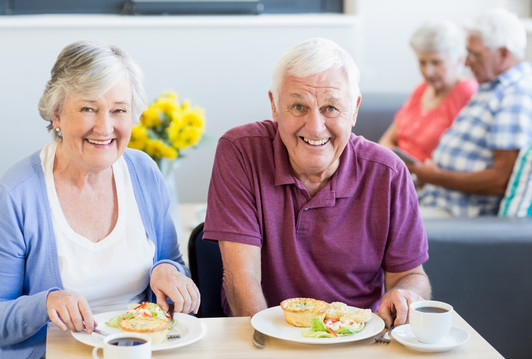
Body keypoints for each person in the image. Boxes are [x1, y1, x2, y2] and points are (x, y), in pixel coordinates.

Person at [0, 41, 200, 359]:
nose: (104, 128)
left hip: (143, 350)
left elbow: (172, 266)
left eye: (119, 110)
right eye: (88, 108)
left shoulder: (144, 172)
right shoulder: (17, 195)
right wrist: (45, 304)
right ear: (57, 113)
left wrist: (167, 271)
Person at [203, 38, 431, 328]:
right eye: (298, 106)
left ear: (354, 110)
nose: (314, 127)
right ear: (275, 106)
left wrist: (407, 295)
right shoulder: (240, 151)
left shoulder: (389, 173)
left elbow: (410, 275)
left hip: (356, 336)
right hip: (265, 334)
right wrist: (269, 345)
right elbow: (241, 278)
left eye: (331, 108)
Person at [410, 8, 532, 218]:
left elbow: (500, 180)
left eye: (474, 54)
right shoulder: (493, 86)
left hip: (456, 214)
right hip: (436, 198)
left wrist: (435, 176)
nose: (466, 62)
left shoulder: (516, 95)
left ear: (503, 54)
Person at [379, 19, 477, 162]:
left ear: (459, 60)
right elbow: (387, 139)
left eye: (436, 62)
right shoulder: (421, 89)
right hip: (397, 173)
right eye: (422, 62)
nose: (428, 72)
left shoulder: (468, 93)